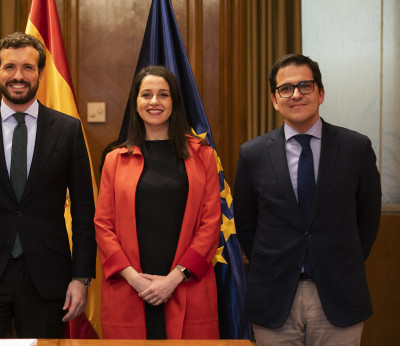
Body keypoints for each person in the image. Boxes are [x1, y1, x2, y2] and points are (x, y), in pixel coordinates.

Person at [0, 32, 96, 338]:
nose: (18, 76)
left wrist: (81, 277)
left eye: (28, 67)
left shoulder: (68, 130)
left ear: (40, 74)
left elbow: (84, 211)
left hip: (48, 277)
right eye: (10, 67)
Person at [233, 54, 381, 345]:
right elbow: (246, 224)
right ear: (274, 100)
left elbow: (368, 218)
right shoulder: (253, 154)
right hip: (274, 298)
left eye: (305, 85)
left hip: (339, 295)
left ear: (321, 93)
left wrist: (339, 261)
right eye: (286, 88)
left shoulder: (356, 148)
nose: (296, 94)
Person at [94, 65, 220, 339]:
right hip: (129, 289)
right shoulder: (115, 160)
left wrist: (174, 279)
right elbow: (103, 226)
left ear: (174, 101)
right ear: (135, 103)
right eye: (146, 94)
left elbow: (211, 224)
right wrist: (136, 280)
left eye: (163, 94)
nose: (154, 101)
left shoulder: (203, 156)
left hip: (187, 286)